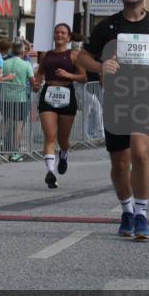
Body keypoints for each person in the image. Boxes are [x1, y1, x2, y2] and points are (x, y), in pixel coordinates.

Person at [76, 0, 149, 241]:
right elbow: (81, 58)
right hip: (117, 101)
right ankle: (127, 210)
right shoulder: (107, 26)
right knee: (120, 162)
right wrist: (100, 65)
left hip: (148, 98)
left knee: (141, 153)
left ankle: (142, 214)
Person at [34, 23, 86, 188]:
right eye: (57, 32)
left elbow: (83, 77)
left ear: (69, 37)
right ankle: (51, 172)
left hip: (67, 94)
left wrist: (67, 74)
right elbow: (40, 73)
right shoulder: (46, 55)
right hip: (48, 94)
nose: (59, 35)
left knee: (63, 139)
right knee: (50, 136)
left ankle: (63, 155)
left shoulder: (74, 55)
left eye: (63, 33)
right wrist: (36, 83)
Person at [1, 40, 37, 161]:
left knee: (5, 120)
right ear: (22, 51)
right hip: (20, 98)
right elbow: (33, 82)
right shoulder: (26, 64)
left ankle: (0, 143)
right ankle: (15, 152)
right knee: (18, 125)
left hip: (5, 96)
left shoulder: (4, 62)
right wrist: (37, 86)